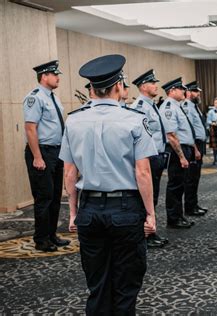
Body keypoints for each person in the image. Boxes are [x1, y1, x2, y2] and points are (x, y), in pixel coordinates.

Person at [60, 54, 157, 314]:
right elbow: (143, 172)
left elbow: (69, 173)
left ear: (91, 88)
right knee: (126, 286)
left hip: (89, 211)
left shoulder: (73, 121)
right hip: (125, 210)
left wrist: (72, 213)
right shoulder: (135, 119)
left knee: (98, 284)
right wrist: (150, 213)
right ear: (118, 87)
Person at [23, 60, 70, 252]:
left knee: (56, 196)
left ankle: (51, 235)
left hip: (56, 151)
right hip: (42, 151)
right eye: (54, 74)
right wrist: (37, 157)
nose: (58, 77)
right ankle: (41, 239)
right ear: (44, 76)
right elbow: (30, 128)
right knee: (44, 197)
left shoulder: (54, 98)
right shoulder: (35, 98)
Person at [130, 69, 169, 248]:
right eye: (153, 83)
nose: (156, 86)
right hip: (147, 159)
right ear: (144, 86)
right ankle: (145, 235)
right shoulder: (139, 107)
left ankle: (150, 231)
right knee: (146, 198)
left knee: (152, 198)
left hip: (157, 156)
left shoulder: (152, 105)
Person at [159, 77, 199, 229]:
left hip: (184, 149)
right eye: (180, 89)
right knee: (175, 185)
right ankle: (173, 218)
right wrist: (182, 156)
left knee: (181, 184)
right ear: (172, 91)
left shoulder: (177, 106)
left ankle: (179, 215)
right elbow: (171, 135)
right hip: (177, 151)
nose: (184, 91)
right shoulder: (168, 107)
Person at [182, 81, 209, 216]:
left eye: (198, 91)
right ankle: (190, 207)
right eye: (195, 91)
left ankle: (194, 204)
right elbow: (189, 130)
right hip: (194, 145)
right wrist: (195, 149)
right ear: (188, 93)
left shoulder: (195, 106)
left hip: (199, 144)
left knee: (196, 177)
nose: (198, 94)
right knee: (191, 178)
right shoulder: (187, 106)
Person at [207, 97, 217, 165]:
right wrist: (213, 123)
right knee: (215, 147)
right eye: (215, 103)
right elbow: (208, 121)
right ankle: (215, 159)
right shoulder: (211, 112)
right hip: (214, 129)